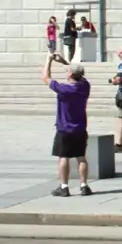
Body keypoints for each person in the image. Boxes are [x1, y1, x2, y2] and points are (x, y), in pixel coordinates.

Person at [43, 53, 93, 196]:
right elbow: (79, 75)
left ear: (70, 74)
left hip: (65, 128)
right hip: (80, 128)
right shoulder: (85, 87)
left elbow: (45, 77)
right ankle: (84, 186)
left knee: (63, 157)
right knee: (81, 157)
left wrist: (49, 60)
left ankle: (64, 187)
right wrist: (65, 63)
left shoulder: (64, 89)